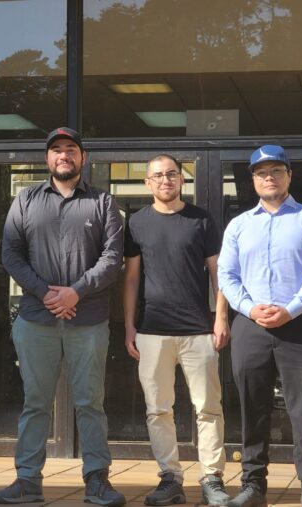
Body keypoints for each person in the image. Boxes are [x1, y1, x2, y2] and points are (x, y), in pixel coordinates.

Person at [0, 127, 125, 506]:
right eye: (56, 150)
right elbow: (11, 254)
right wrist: (46, 292)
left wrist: (75, 292)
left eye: (70, 149)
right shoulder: (25, 200)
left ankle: (97, 480)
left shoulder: (103, 202)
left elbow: (112, 259)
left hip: (89, 319)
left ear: (83, 158)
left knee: (90, 402)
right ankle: (27, 481)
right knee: (35, 402)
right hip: (37, 318)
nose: (63, 155)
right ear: (47, 159)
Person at [218, 145, 302, 507]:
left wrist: (291, 309)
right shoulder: (238, 225)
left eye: (276, 170)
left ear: (289, 175)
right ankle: (253, 486)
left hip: (298, 325)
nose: (269, 177)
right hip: (251, 326)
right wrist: (250, 308)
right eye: (262, 172)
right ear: (253, 179)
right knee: (252, 406)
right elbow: (227, 276)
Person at [123, 154, 231, 507]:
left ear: (181, 180)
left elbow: (218, 273)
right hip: (153, 331)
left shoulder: (200, 219)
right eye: (157, 175)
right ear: (148, 183)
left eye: (171, 174)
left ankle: (212, 478)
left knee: (208, 408)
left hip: (198, 330)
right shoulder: (137, 223)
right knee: (158, 409)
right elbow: (132, 279)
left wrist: (220, 317)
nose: (165, 180)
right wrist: (129, 326)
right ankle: (170, 477)